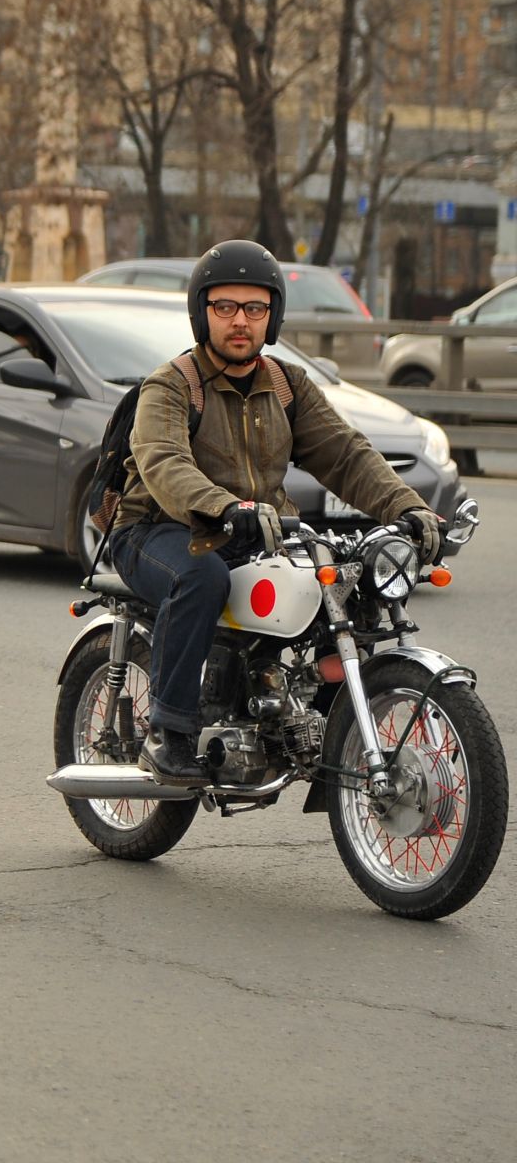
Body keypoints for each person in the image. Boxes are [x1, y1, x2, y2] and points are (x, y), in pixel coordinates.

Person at [109, 239, 446, 786]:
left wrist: (409, 508)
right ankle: (168, 731)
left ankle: (321, 714)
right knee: (201, 576)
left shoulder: (288, 386)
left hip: (255, 530)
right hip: (159, 528)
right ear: (202, 312)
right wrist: (223, 506)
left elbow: (347, 455)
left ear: (273, 316)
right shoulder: (171, 385)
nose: (240, 321)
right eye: (225, 307)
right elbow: (164, 463)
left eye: (255, 308)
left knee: (348, 581)